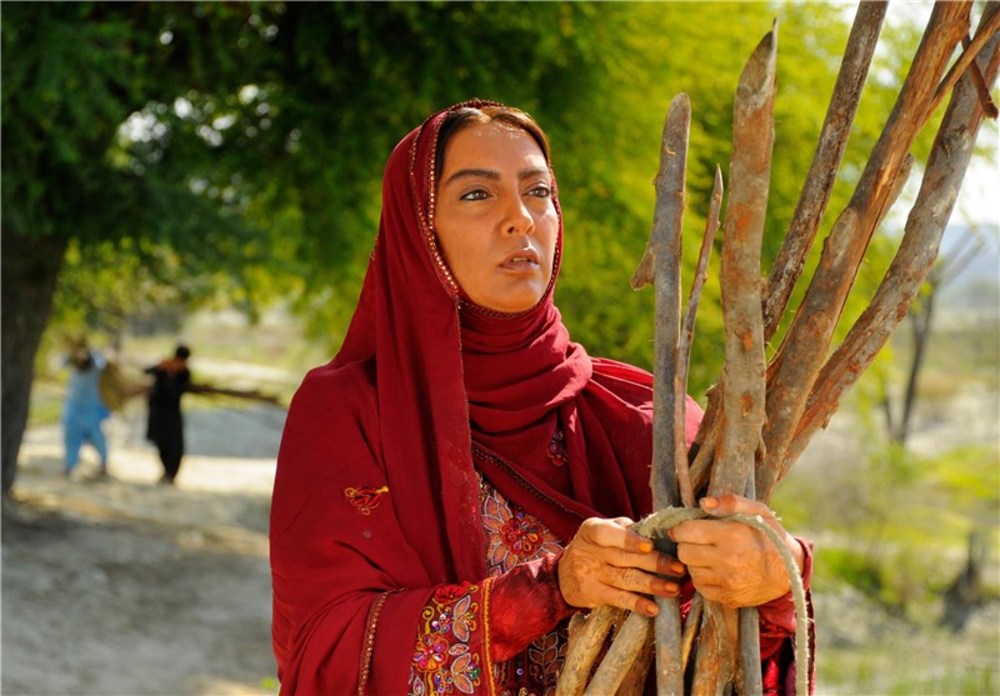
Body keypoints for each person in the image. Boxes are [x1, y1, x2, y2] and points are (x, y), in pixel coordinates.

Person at [269, 100, 814, 695]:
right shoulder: (350, 412)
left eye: (538, 191)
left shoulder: (646, 418)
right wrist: (547, 589)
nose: (520, 219)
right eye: (477, 195)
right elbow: (327, 653)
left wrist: (775, 578)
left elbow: (717, 659)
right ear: (419, 232)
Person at [144, 344, 196, 485]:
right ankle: (166, 472)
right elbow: (146, 371)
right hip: (158, 412)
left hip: (172, 413)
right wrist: (164, 369)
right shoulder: (164, 367)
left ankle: (171, 474)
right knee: (161, 443)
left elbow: (176, 392)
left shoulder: (184, 373)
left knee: (174, 445)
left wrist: (170, 374)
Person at [62, 337, 110, 478]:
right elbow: (59, 362)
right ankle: (70, 465)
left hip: (91, 409)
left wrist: (92, 351)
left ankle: (104, 463)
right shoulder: (73, 365)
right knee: (71, 437)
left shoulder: (95, 367)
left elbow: (102, 362)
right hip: (73, 408)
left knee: (97, 437)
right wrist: (73, 353)